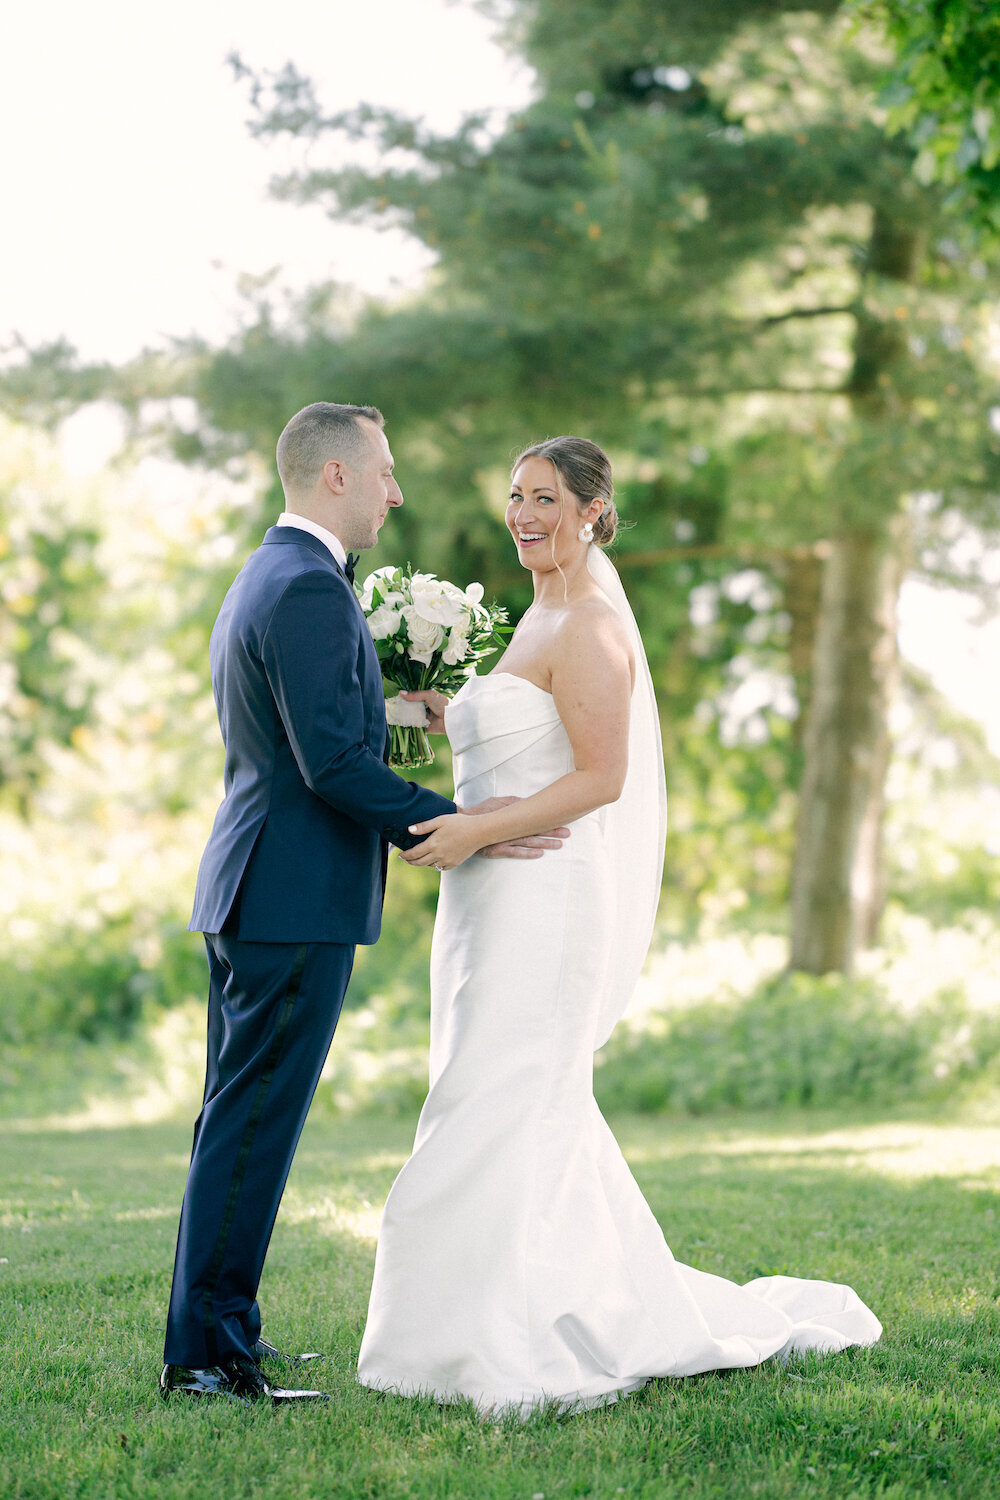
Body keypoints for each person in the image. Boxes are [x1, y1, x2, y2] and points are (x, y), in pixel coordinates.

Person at [357, 435, 882, 1418]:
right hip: (484, 904)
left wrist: (472, 829)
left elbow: (600, 779)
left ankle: (512, 1342)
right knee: (487, 1093)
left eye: (546, 497)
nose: (525, 513)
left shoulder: (593, 626)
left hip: (544, 901)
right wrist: (400, 707)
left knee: (506, 1096)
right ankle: (472, 1326)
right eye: (515, 494)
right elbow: (502, 731)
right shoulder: (530, 619)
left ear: (595, 510)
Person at [160, 403, 568, 1406]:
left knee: (237, 1123)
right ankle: (207, 1356)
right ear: (335, 476)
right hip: (290, 899)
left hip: (260, 888)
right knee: (252, 1128)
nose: (395, 491)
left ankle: (220, 1333)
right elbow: (331, 763)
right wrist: (464, 827)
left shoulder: (278, 574)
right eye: (383, 472)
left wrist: (399, 708)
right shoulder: (304, 585)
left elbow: (308, 724)